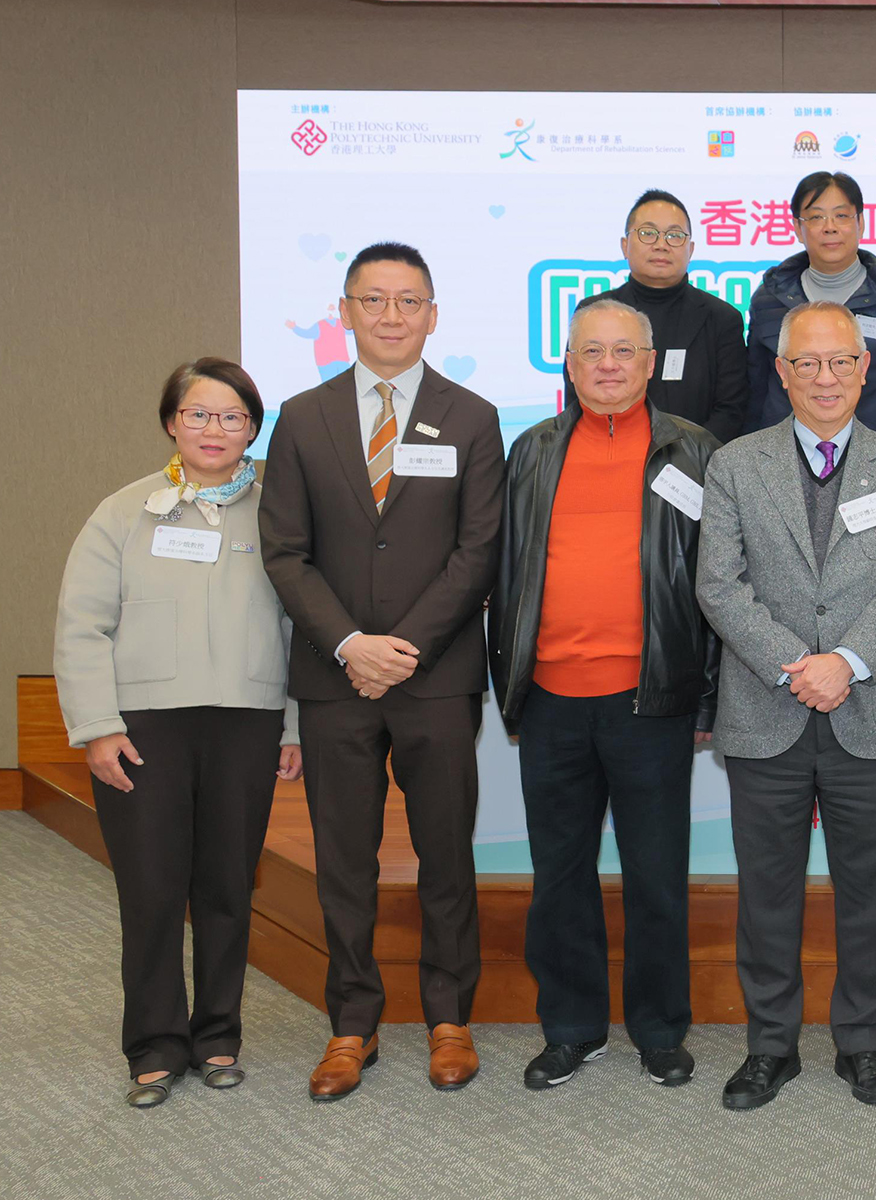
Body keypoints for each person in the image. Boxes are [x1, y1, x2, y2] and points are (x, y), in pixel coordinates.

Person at [260, 242, 506, 1102]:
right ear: (345, 312)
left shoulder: (473, 417)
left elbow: (479, 551)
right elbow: (285, 553)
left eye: (408, 301)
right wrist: (349, 646)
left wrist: (401, 649)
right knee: (343, 862)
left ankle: (449, 1018)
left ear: (433, 315)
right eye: (374, 300)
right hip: (335, 681)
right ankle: (351, 1024)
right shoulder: (302, 417)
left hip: (435, 678)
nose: (391, 316)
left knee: (445, 856)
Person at [697, 301, 876, 1110]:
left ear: (865, 369)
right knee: (767, 894)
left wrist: (847, 663)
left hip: (867, 711)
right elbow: (719, 585)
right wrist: (797, 666)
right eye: (808, 362)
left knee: (868, 890)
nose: (825, 377)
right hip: (765, 710)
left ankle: (864, 1044)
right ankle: (770, 1046)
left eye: (841, 361)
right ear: (782, 370)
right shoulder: (736, 465)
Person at [54, 358, 303, 1108]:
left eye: (233, 417)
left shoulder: (281, 512)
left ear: (253, 428)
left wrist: (293, 724)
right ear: (172, 422)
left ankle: (218, 1033)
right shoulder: (123, 512)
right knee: (152, 888)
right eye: (198, 413)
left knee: (227, 886)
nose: (214, 429)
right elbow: (82, 627)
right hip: (143, 729)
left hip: (248, 723)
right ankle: (155, 1042)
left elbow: (304, 627)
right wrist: (97, 727)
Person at [488, 297, 722, 1091]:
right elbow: (506, 570)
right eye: (592, 351)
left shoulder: (694, 451)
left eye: (625, 351)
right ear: (569, 362)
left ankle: (659, 1030)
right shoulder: (532, 450)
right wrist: (510, 684)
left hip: (651, 700)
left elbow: (719, 583)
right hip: (551, 699)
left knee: (656, 875)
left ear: (650, 363)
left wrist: (705, 698)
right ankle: (572, 1028)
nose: (609, 365)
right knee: (559, 876)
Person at [743, 172, 876, 457]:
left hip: (873, 459)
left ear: (861, 223)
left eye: (842, 216)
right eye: (816, 217)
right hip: (782, 460)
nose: (829, 227)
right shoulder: (769, 300)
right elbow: (755, 394)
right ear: (798, 228)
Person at [564, 189, 748, 441]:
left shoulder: (722, 319)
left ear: (691, 249)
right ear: (625, 246)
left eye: (674, 236)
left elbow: (730, 411)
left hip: (698, 461)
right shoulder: (594, 313)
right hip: (606, 451)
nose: (661, 245)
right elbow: (576, 399)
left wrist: (689, 457)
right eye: (648, 233)